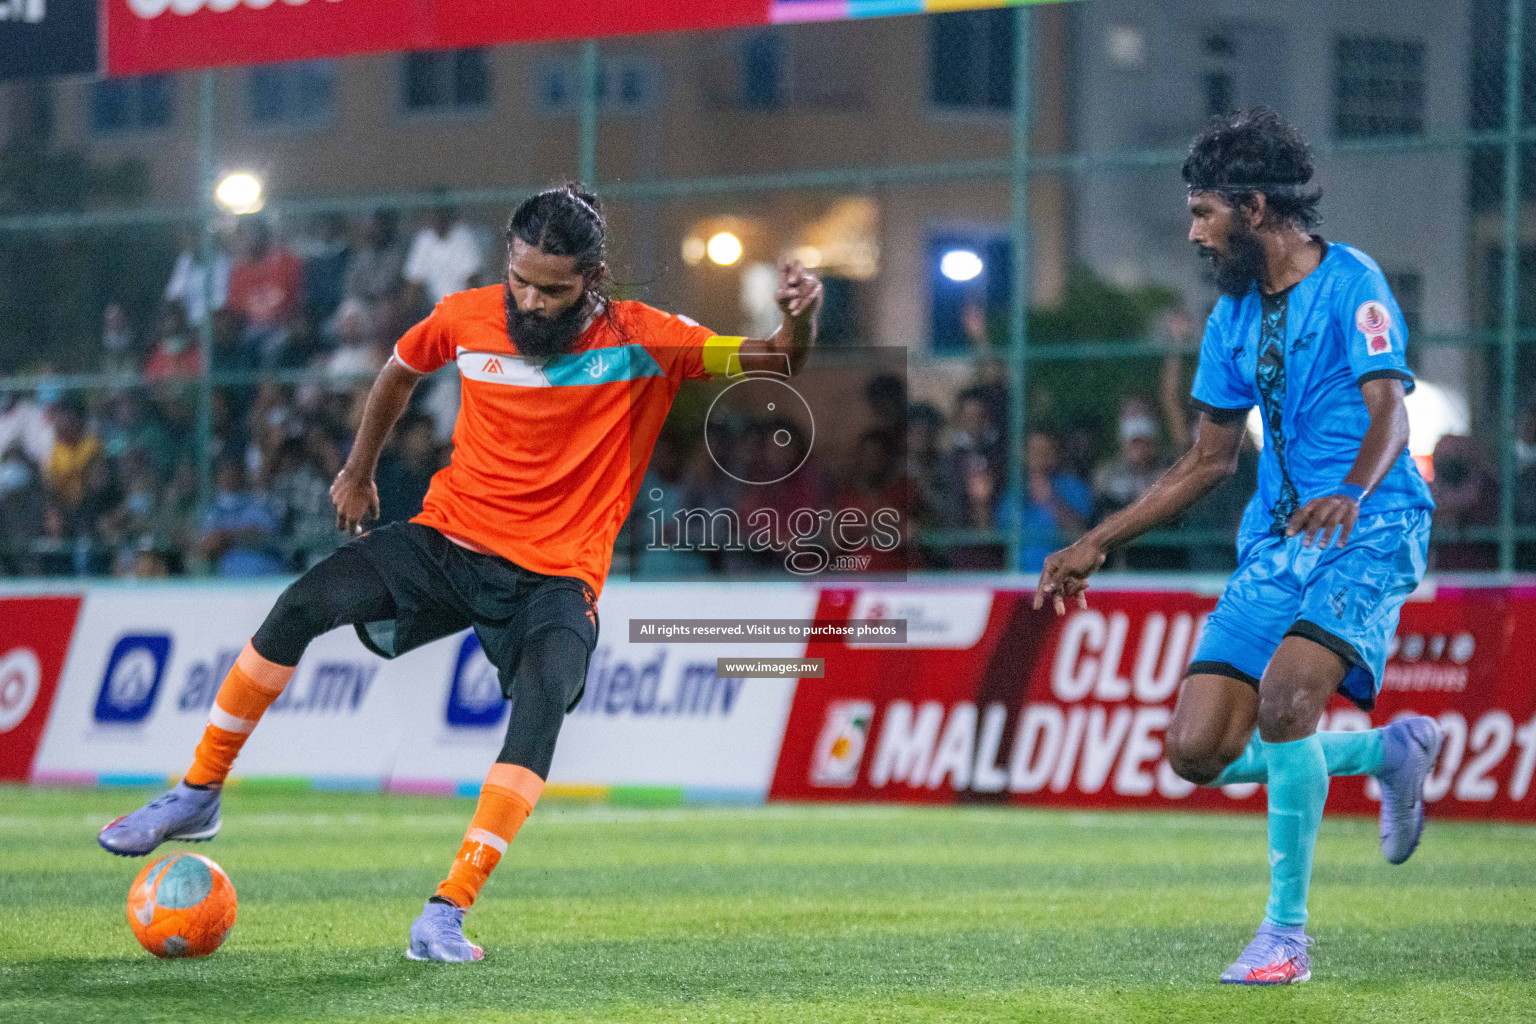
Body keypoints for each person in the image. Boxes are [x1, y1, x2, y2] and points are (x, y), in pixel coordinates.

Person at [98, 184, 823, 963]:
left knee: (542, 708)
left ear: (594, 279)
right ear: (506, 260)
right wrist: (358, 472)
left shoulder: (647, 338)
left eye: (554, 289)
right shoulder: (465, 315)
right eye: (521, 280)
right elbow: (398, 373)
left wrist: (800, 315)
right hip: (448, 542)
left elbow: (776, 361)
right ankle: (198, 791)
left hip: (555, 577)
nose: (533, 302)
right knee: (300, 606)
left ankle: (445, 910)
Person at [1032, 108, 1441, 986]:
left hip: (1372, 528)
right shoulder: (1230, 317)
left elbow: (1391, 412)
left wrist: (1349, 492)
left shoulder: (1353, 282)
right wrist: (1095, 541)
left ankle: (1284, 939)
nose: (1193, 231)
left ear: (1254, 207)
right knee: (1196, 753)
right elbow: (1209, 458)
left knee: (1288, 703)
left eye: (1204, 212)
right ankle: (1385, 752)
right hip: (1276, 544)